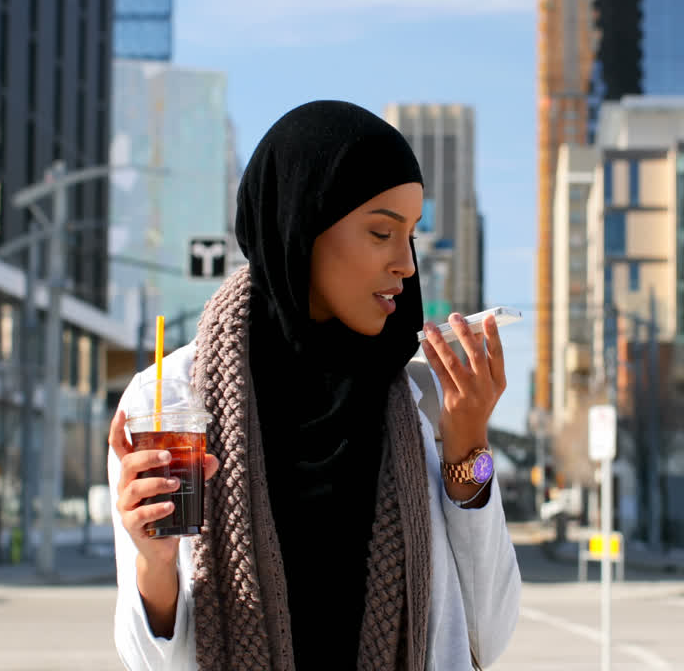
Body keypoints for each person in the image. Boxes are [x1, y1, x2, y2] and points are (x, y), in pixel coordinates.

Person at [108, 100, 521, 671]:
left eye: (411, 236)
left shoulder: (428, 399)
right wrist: (154, 564)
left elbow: (487, 636)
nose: (405, 264)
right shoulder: (169, 400)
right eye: (382, 232)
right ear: (301, 224)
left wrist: (469, 446)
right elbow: (151, 663)